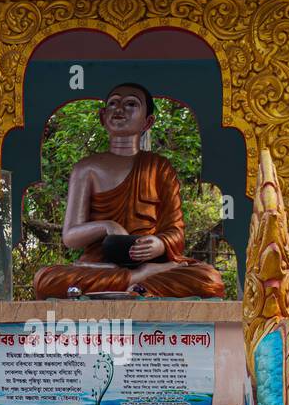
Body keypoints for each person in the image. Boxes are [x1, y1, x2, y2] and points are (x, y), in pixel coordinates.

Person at [32, 82, 226, 299]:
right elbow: (70, 237)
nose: (120, 109)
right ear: (102, 117)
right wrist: (108, 226)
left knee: (210, 279)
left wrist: (159, 244)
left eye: (131, 103)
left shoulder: (158, 167)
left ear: (147, 122)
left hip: (150, 262)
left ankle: (136, 283)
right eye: (113, 103)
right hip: (100, 265)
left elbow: (176, 231)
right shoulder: (86, 168)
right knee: (45, 279)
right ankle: (139, 281)